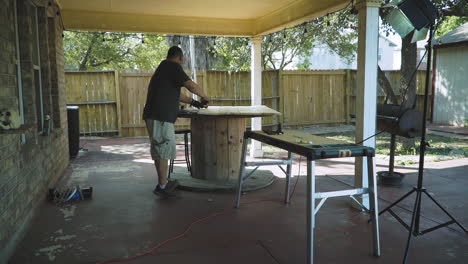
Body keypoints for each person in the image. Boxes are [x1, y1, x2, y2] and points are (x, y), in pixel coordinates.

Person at [143, 46, 210, 198]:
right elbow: (191, 85)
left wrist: (194, 102)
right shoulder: (172, 66)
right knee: (162, 150)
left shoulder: (164, 69)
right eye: (182, 60)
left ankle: (163, 182)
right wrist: (205, 97)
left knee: (160, 150)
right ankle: (163, 186)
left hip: (156, 116)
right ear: (180, 58)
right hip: (160, 117)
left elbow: (177, 94)